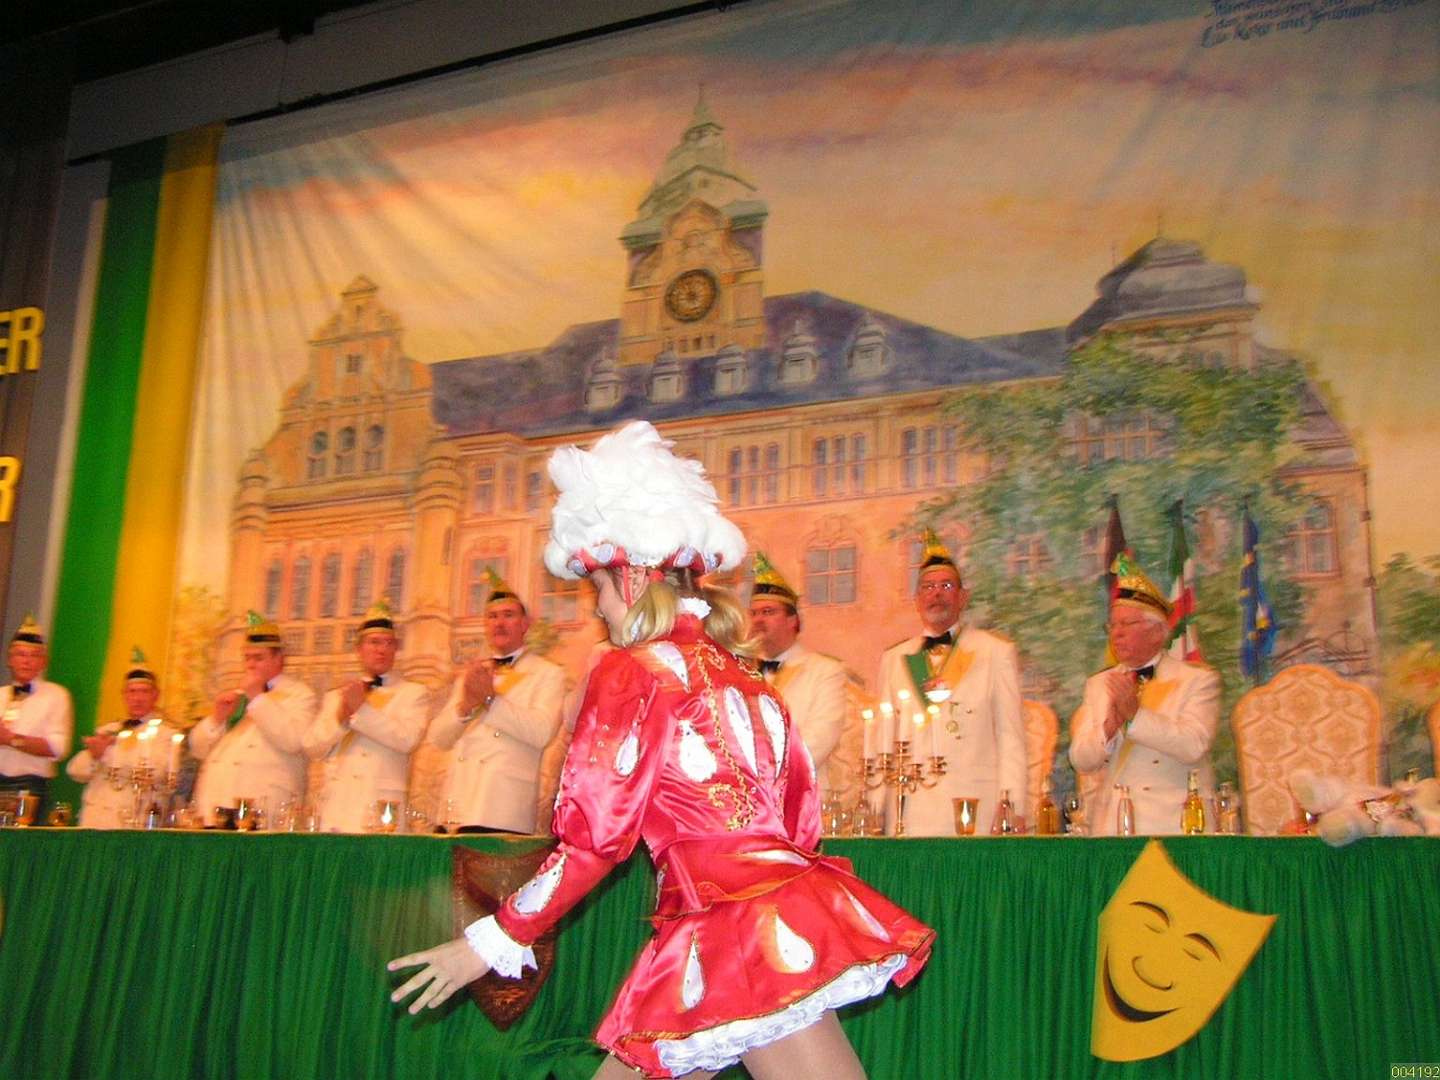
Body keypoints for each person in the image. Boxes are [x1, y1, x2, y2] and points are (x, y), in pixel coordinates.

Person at [389, 420, 933, 1080]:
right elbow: (801, 820)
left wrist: (497, 938)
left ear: (632, 582)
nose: (599, 611)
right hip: (754, 911)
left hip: (729, 925)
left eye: (598, 590)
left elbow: (594, 842)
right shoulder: (748, 679)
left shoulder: (631, 671)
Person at [874, 530, 1026, 836]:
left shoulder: (995, 652)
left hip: (974, 805)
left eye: (946, 586)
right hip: (911, 811)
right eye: (928, 587)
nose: (937, 594)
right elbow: (882, 740)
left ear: (962, 597)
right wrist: (877, 806)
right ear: (917, 600)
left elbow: (1010, 735)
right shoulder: (895, 659)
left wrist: (1013, 803)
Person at [1069, 556, 1221, 835]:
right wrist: (1109, 728)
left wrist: (1135, 716)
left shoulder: (1196, 681)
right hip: (1115, 827)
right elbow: (1081, 759)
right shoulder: (1100, 684)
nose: (1117, 634)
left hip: (1177, 824)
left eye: (1127, 624)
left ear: (1157, 633)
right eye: (1113, 626)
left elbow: (1193, 745)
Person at [426, 571, 565, 833]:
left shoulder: (547, 673)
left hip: (502, 808)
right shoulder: (472, 674)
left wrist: (490, 700)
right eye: (492, 616)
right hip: (456, 807)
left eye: (508, 615)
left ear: (525, 624)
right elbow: (438, 738)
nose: (499, 623)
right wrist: (464, 707)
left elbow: (541, 732)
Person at [302, 600, 429, 832]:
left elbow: (407, 740)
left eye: (389, 643)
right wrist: (340, 720)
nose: (382, 650)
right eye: (374, 642)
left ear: (396, 649)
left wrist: (360, 710)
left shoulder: (412, 693)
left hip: (381, 808)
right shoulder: (336, 696)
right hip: (337, 808)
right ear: (359, 649)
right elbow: (312, 747)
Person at [189, 611, 317, 827]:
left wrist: (257, 698)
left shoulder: (299, 694)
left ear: (279, 659)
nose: (250, 664)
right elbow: (198, 750)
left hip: (263, 806)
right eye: (247, 658)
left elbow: (294, 741)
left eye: (258, 658)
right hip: (216, 804)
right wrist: (216, 719)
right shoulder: (236, 695)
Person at [748, 552, 858, 798]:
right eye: (754, 613)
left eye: (768, 612)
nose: (758, 620)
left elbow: (821, 737)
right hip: (750, 799)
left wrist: (769, 777)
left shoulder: (825, 671)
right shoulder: (739, 671)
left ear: (793, 620)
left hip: (801, 795)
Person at [66, 648, 183, 827]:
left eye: (144, 692)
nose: (137, 698)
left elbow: (156, 772)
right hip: (95, 820)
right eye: (132, 691)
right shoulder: (108, 730)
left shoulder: (168, 734)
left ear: (156, 695)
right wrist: (93, 755)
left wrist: (106, 754)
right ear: (124, 695)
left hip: (135, 819)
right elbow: (75, 771)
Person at [0, 615, 74, 817]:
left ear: (44, 662)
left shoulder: (57, 695)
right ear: (9, 660)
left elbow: (58, 748)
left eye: (34, 655)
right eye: (20, 654)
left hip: (29, 787)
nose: (26, 661)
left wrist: (12, 740)